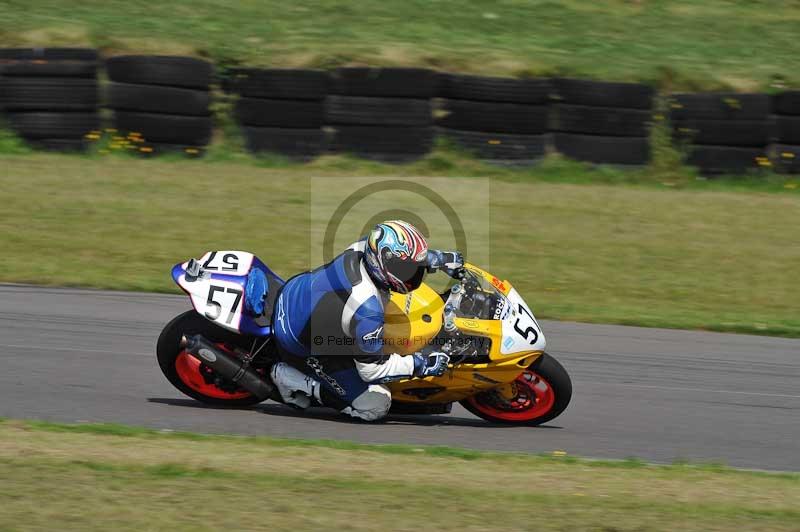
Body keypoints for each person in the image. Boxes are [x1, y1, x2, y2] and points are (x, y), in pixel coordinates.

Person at [270, 220, 463, 421]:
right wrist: (419, 365)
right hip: (299, 341)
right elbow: (371, 370)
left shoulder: (365, 249)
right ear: (382, 263)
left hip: (298, 292)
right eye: (407, 270)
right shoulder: (367, 310)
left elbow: (399, 255)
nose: (413, 276)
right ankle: (292, 379)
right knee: (376, 404)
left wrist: (439, 259)